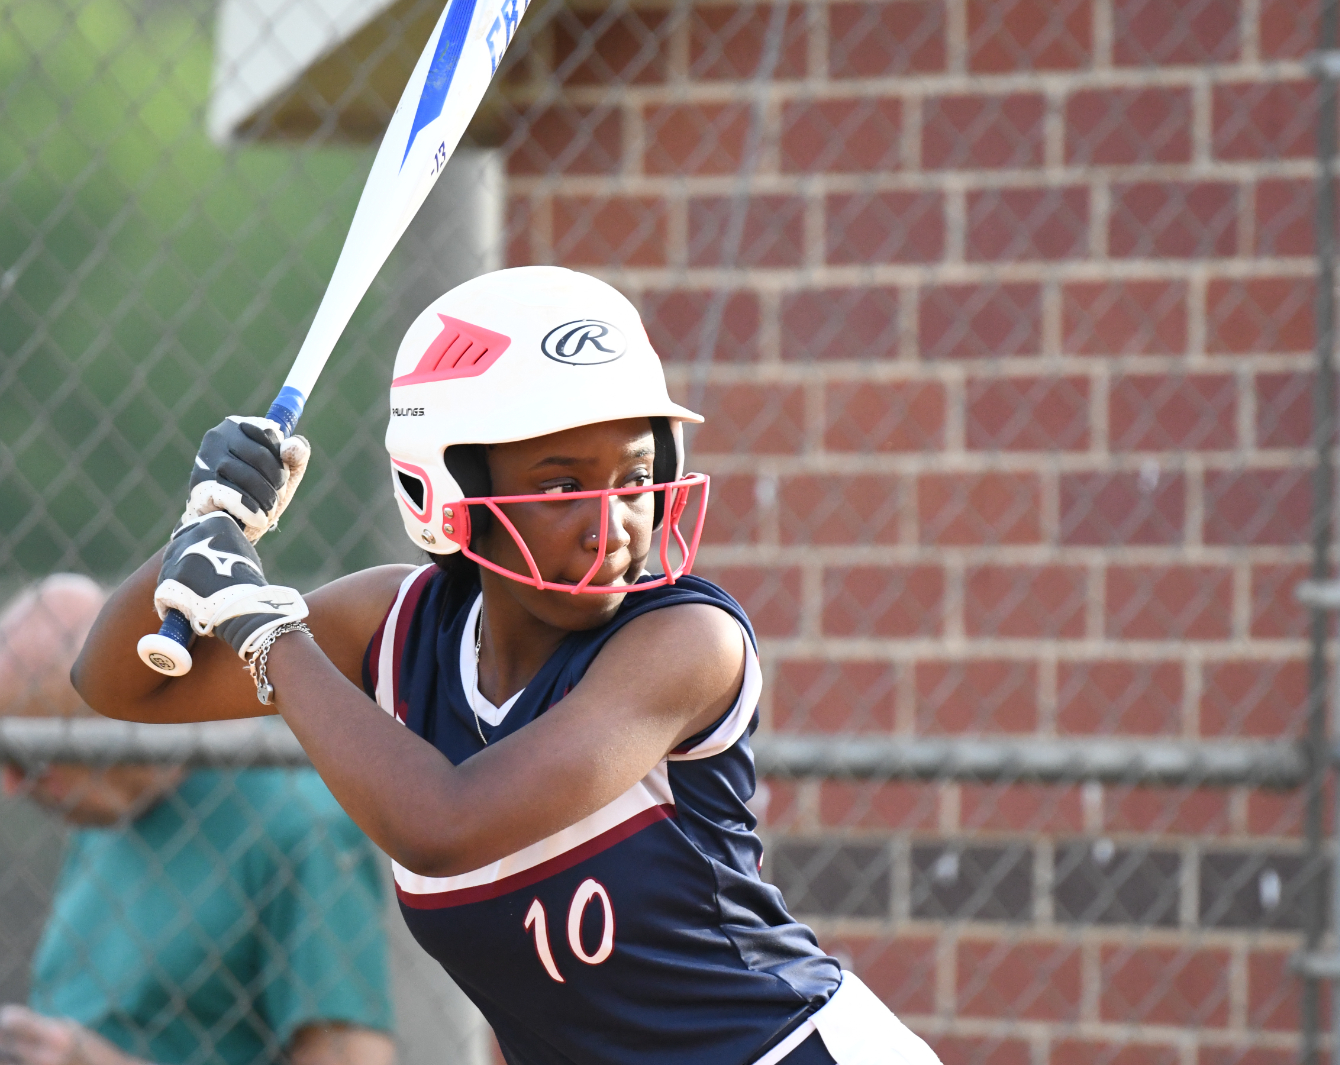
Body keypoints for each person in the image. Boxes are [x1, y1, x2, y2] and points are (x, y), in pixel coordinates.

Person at [72, 266, 942, 1065]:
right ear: (448, 495)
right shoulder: (397, 626)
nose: (613, 526)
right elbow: (113, 683)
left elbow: (445, 824)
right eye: (562, 487)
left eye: (636, 478)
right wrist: (205, 528)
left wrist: (268, 632)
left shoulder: (683, 643)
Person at [0, 575, 396, 1065]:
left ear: (111, 715)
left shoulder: (298, 826)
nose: (9, 787)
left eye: (28, 761)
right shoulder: (102, 821)